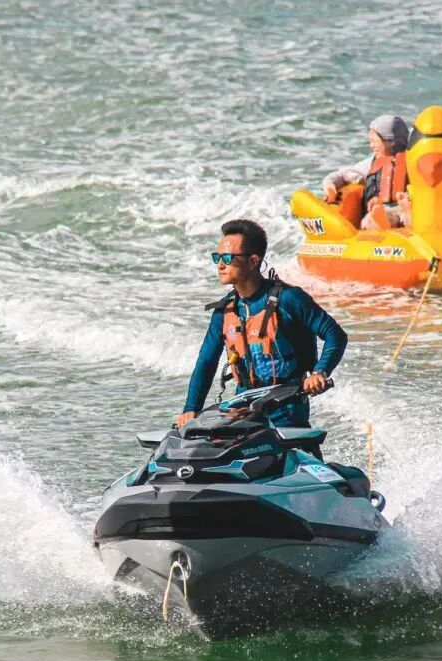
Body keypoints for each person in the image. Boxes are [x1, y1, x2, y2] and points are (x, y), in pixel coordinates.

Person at [176, 219, 347, 430]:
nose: (220, 265)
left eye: (228, 258)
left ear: (253, 261)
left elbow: (335, 334)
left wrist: (320, 372)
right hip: (243, 409)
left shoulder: (290, 299)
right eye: (217, 257)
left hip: (287, 408)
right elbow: (206, 362)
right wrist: (191, 408)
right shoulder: (225, 311)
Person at [322, 115, 411, 230]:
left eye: (374, 141)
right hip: (384, 209)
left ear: (390, 141)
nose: (371, 146)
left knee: (412, 217)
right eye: (370, 142)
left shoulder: (412, 160)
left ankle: (405, 213)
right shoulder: (370, 164)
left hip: (407, 208)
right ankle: (382, 221)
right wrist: (330, 184)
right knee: (373, 219)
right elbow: (342, 174)